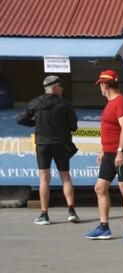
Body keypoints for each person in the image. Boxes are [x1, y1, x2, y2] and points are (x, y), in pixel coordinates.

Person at [84, 70, 123, 245]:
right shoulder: (110, 103)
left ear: (104, 84)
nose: (100, 87)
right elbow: (111, 129)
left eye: (100, 84)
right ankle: (104, 227)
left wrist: (121, 150)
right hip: (109, 153)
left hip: (120, 153)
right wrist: (103, 149)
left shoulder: (120, 102)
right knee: (100, 188)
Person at [17, 75, 79, 225]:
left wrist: (35, 123)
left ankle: (44, 214)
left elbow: (20, 119)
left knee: (44, 178)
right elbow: (74, 127)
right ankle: (71, 211)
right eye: (61, 86)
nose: (63, 88)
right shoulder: (65, 104)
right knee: (65, 176)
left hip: (42, 144)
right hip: (61, 144)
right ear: (55, 87)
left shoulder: (36, 103)